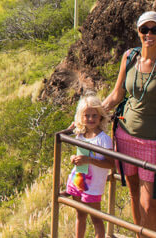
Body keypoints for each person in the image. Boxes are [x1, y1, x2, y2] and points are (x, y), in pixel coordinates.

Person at [102, 11, 156, 233]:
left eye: (155, 30)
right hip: (124, 134)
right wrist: (88, 115)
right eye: (144, 29)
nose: (149, 34)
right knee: (134, 194)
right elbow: (117, 94)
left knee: (149, 202)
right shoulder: (129, 57)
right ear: (138, 31)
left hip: (154, 141)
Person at [65, 94, 114, 238]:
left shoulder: (104, 140)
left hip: (93, 186)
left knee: (96, 218)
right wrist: (74, 158)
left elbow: (111, 164)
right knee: (80, 214)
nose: (91, 119)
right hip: (79, 179)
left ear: (100, 117)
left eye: (94, 115)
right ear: (81, 117)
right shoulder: (81, 134)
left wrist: (89, 160)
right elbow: (78, 153)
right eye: (87, 116)